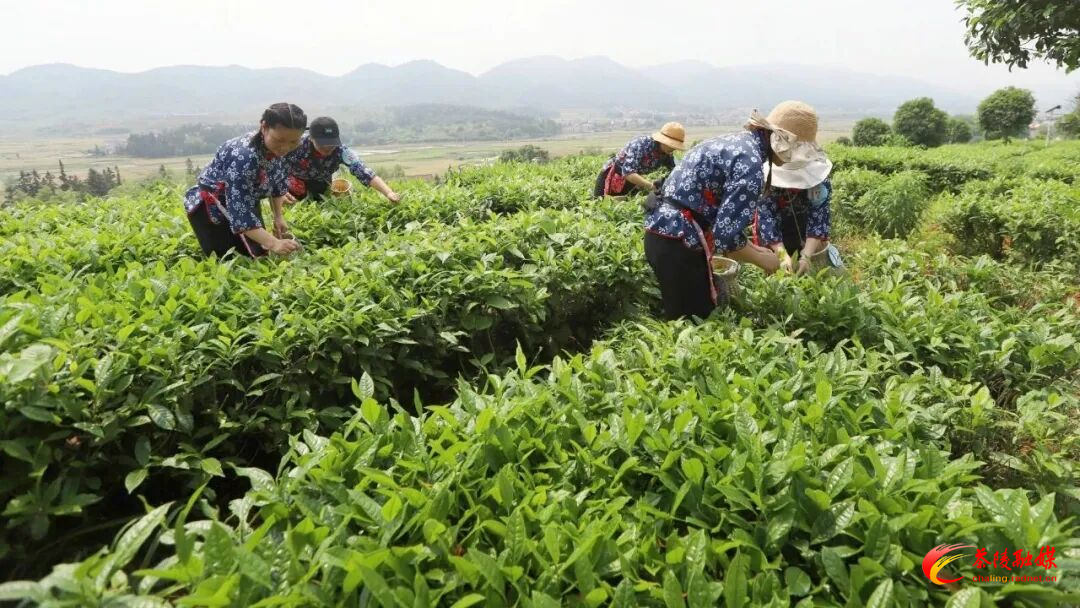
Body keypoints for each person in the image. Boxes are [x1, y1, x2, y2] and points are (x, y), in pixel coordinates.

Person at [642, 101, 830, 320]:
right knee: (694, 321)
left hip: (665, 235)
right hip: (678, 242)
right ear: (784, 141)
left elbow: (726, 223)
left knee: (685, 313)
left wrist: (759, 250)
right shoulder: (750, 167)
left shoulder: (740, 145)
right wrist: (765, 260)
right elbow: (726, 238)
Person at [183, 103, 306, 259]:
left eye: (293, 142)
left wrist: (278, 217)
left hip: (245, 198)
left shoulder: (279, 149)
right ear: (264, 127)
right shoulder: (244, 157)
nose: (285, 148)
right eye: (279, 140)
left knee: (259, 253)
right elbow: (242, 216)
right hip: (212, 205)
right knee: (230, 259)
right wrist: (274, 243)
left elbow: (277, 183)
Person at [280, 116, 401, 209]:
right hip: (292, 184)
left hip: (320, 184)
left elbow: (364, 171)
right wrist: (280, 191)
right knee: (292, 212)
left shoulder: (341, 151)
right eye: (322, 145)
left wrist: (388, 192)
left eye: (332, 144)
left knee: (320, 209)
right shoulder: (295, 145)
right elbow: (274, 166)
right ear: (311, 138)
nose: (328, 149)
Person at [752, 152, 834, 274]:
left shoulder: (819, 183)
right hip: (777, 230)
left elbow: (819, 217)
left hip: (804, 226)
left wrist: (806, 255)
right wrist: (782, 255)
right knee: (777, 271)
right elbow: (767, 219)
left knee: (810, 268)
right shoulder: (768, 184)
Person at [593, 122, 686, 198]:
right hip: (613, 175)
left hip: (633, 181)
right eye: (672, 145)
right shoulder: (641, 144)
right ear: (663, 140)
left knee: (623, 205)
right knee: (600, 202)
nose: (674, 148)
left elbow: (675, 170)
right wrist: (650, 185)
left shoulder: (666, 153)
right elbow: (628, 173)